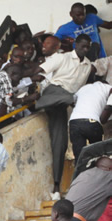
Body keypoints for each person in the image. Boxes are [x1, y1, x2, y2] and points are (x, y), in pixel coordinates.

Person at [28, 34, 93, 197]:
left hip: (64, 102)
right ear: (75, 45)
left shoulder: (87, 65)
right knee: (71, 98)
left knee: (61, 142)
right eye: (82, 46)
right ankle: (36, 103)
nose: (84, 49)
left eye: (87, 47)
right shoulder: (62, 58)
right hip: (54, 92)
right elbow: (39, 71)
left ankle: (56, 187)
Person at [68, 82, 112, 161]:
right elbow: (103, 119)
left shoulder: (85, 87)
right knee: (97, 157)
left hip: (74, 121)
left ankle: (80, 172)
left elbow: (71, 101)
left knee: (79, 158)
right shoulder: (110, 89)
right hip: (92, 122)